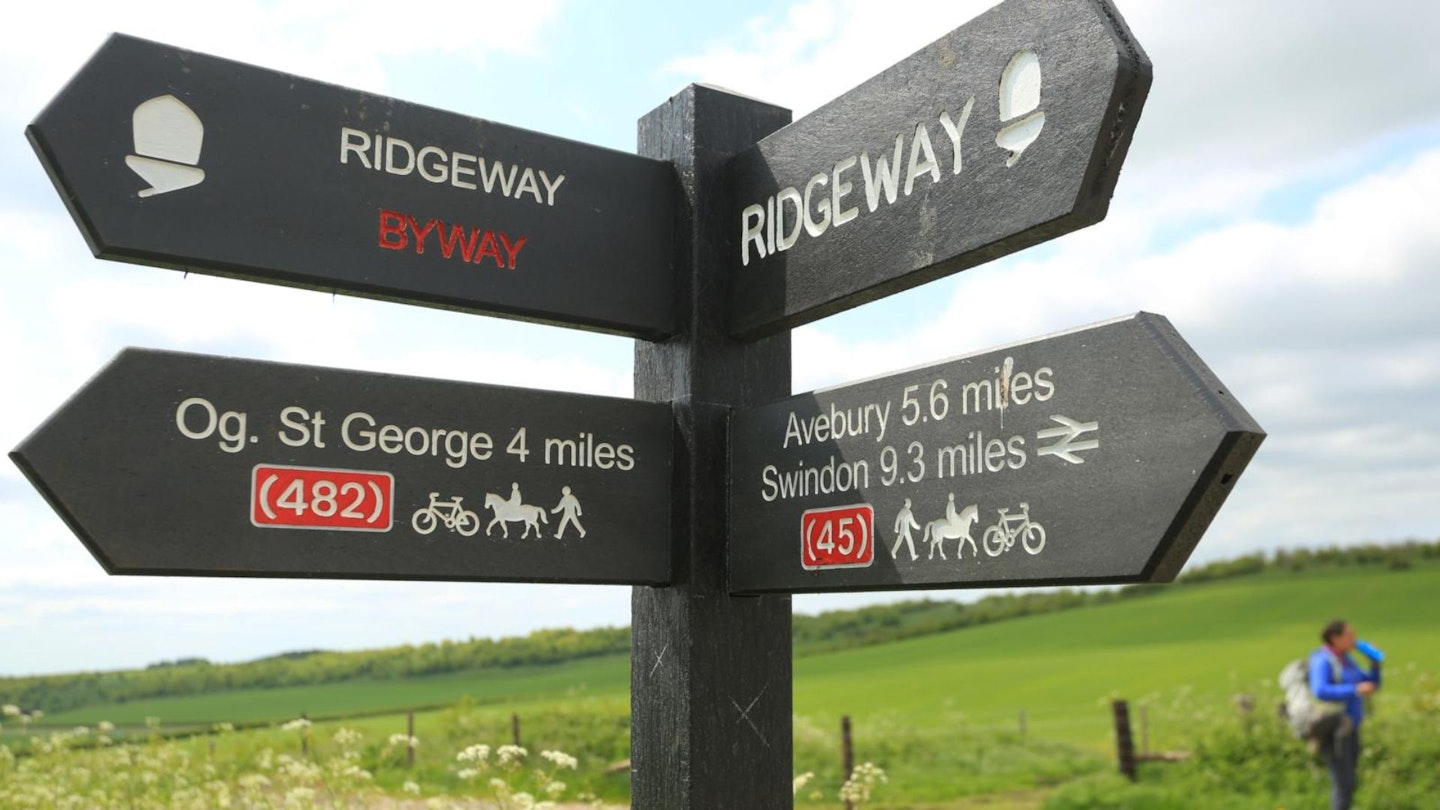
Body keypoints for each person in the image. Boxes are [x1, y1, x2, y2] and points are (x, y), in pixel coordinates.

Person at [1310, 619, 1382, 810]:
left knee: (1349, 782)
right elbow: (1320, 690)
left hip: (1351, 726)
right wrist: (1355, 689)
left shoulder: (1347, 660)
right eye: (1349, 636)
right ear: (1335, 638)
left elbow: (1372, 684)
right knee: (1344, 782)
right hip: (1334, 728)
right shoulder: (1322, 660)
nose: (1354, 640)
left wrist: (1375, 664)